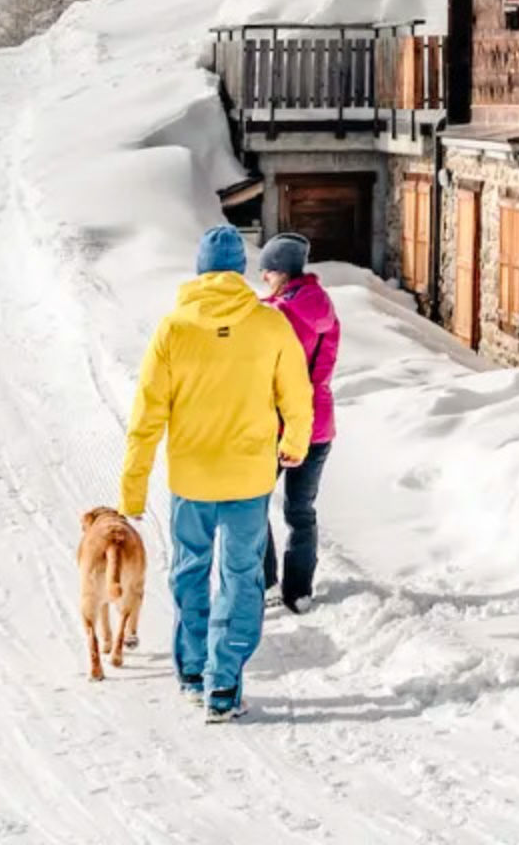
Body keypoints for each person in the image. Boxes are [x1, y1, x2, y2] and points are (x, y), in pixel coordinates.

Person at [120, 226, 313, 722]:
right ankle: (223, 684)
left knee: (189, 572)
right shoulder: (270, 326)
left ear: (201, 269)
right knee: (240, 578)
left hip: (192, 479)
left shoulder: (174, 329)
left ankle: (190, 673)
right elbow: (297, 394)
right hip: (248, 479)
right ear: (240, 272)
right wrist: (293, 444)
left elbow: (146, 417)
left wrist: (133, 490)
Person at [253, 235, 341, 609]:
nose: (264, 279)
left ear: (279, 273)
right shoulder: (324, 307)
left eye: (267, 272)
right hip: (319, 421)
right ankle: (299, 591)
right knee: (301, 511)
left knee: (253, 502)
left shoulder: (276, 315)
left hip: (280, 421)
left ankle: (268, 580)